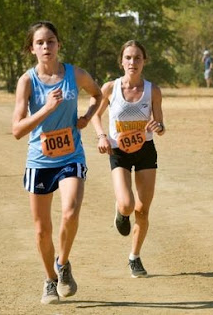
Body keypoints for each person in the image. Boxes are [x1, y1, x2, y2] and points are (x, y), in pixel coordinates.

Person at [12, 21, 102, 304]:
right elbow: (17, 130)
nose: (46, 47)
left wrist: (87, 117)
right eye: (40, 43)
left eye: (51, 41)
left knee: (70, 212)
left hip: (71, 155)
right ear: (32, 49)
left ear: (59, 44)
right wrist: (47, 109)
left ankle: (63, 264)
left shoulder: (75, 75)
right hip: (39, 159)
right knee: (42, 229)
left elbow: (99, 95)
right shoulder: (27, 81)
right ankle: (50, 278)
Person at [91, 40, 165, 278]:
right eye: (128, 58)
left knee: (143, 210)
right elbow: (95, 115)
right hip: (118, 151)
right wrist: (102, 136)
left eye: (137, 58)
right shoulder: (110, 88)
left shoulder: (153, 90)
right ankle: (120, 212)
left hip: (145, 149)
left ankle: (134, 257)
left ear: (144, 61)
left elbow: (161, 126)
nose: (133, 62)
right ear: (121, 61)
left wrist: (158, 126)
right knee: (127, 204)